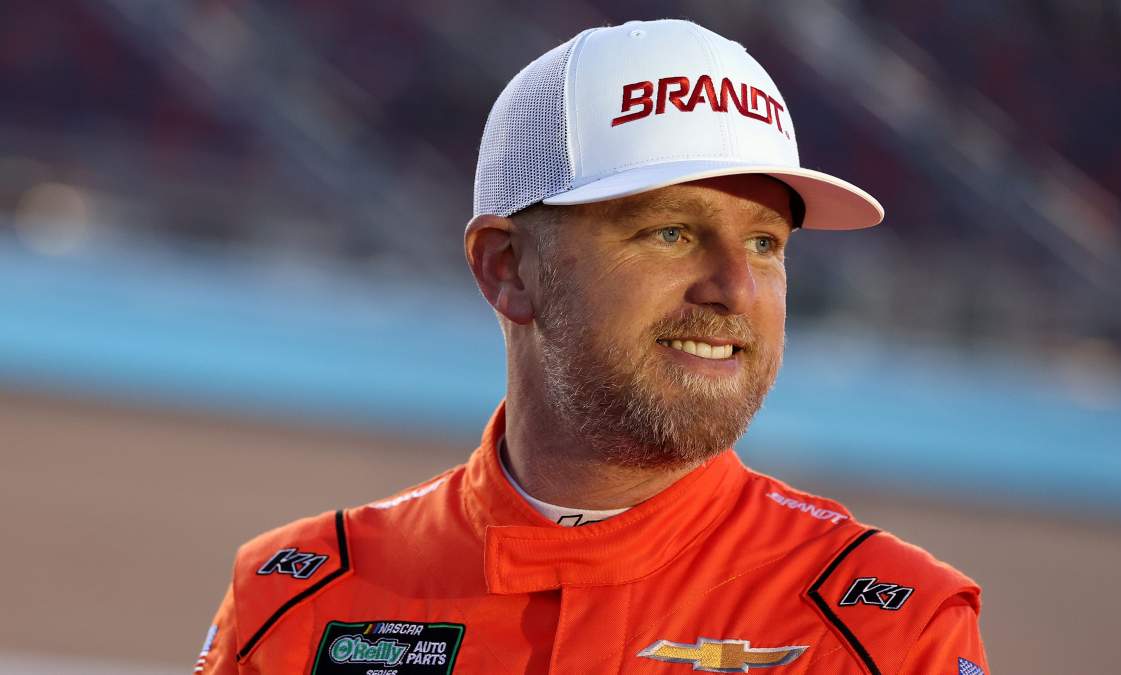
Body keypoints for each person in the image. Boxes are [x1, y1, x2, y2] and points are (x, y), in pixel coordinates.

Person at [197, 19, 988, 675]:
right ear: (508, 269)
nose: (735, 288)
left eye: (765, 243)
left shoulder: (894, 633)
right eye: (671, 232)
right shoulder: (296, 604)